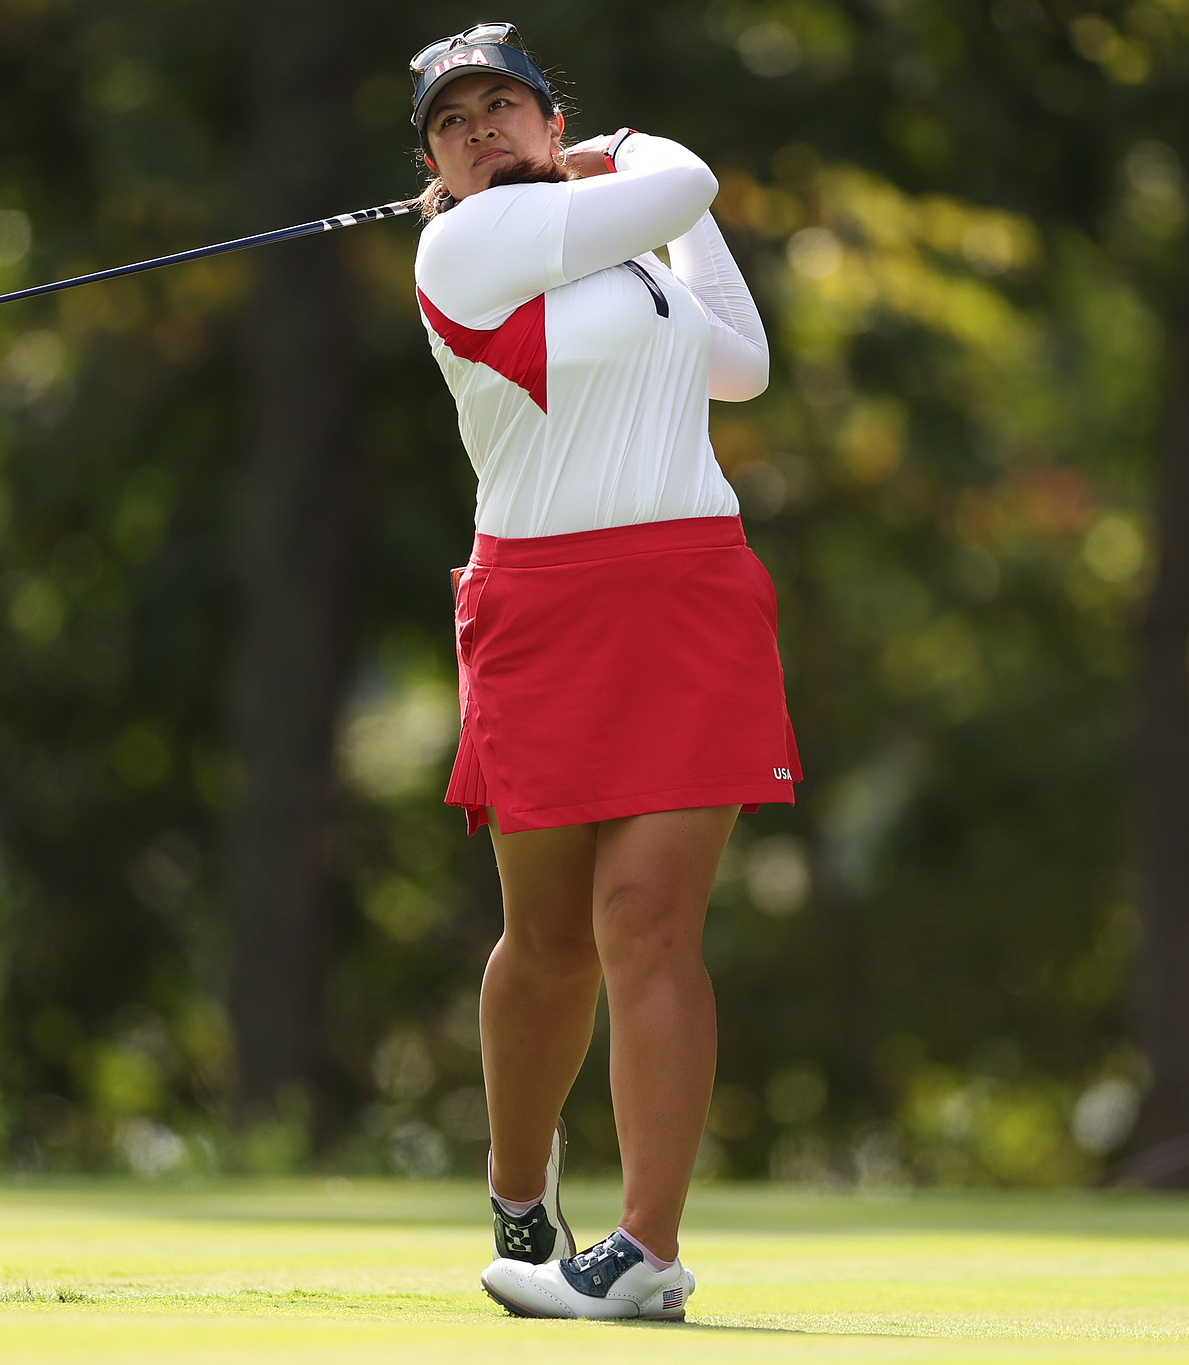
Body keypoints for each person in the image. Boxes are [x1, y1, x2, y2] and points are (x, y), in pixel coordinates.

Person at [407, 23, 800, 1322]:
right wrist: (626, 156)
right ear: (436, 169)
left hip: (688, 587)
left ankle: (646, 1248)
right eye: (451, 123)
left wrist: (617, 181)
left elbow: (737, 361)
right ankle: (522, 1188)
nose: (479, 130)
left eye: (501, 105)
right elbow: (690, 184)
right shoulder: (462, 246)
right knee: (553, 938)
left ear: (544, 117)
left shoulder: (619, 249)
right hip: (542, 604)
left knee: (649, 921)